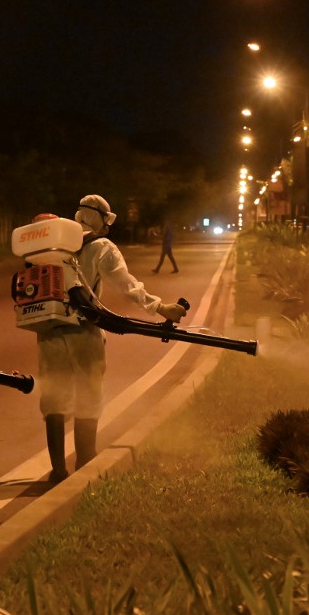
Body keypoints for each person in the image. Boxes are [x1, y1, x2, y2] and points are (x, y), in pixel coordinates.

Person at [37, 194, 186, 483]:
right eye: (107, 221)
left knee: (54, 398)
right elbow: (126, 283)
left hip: (48, 332)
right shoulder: (101, 247)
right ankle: (85, 462)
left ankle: (57, 470)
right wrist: (159, 307)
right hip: (83, 331)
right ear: (100, 220)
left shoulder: (50, 244)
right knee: (88, 397)